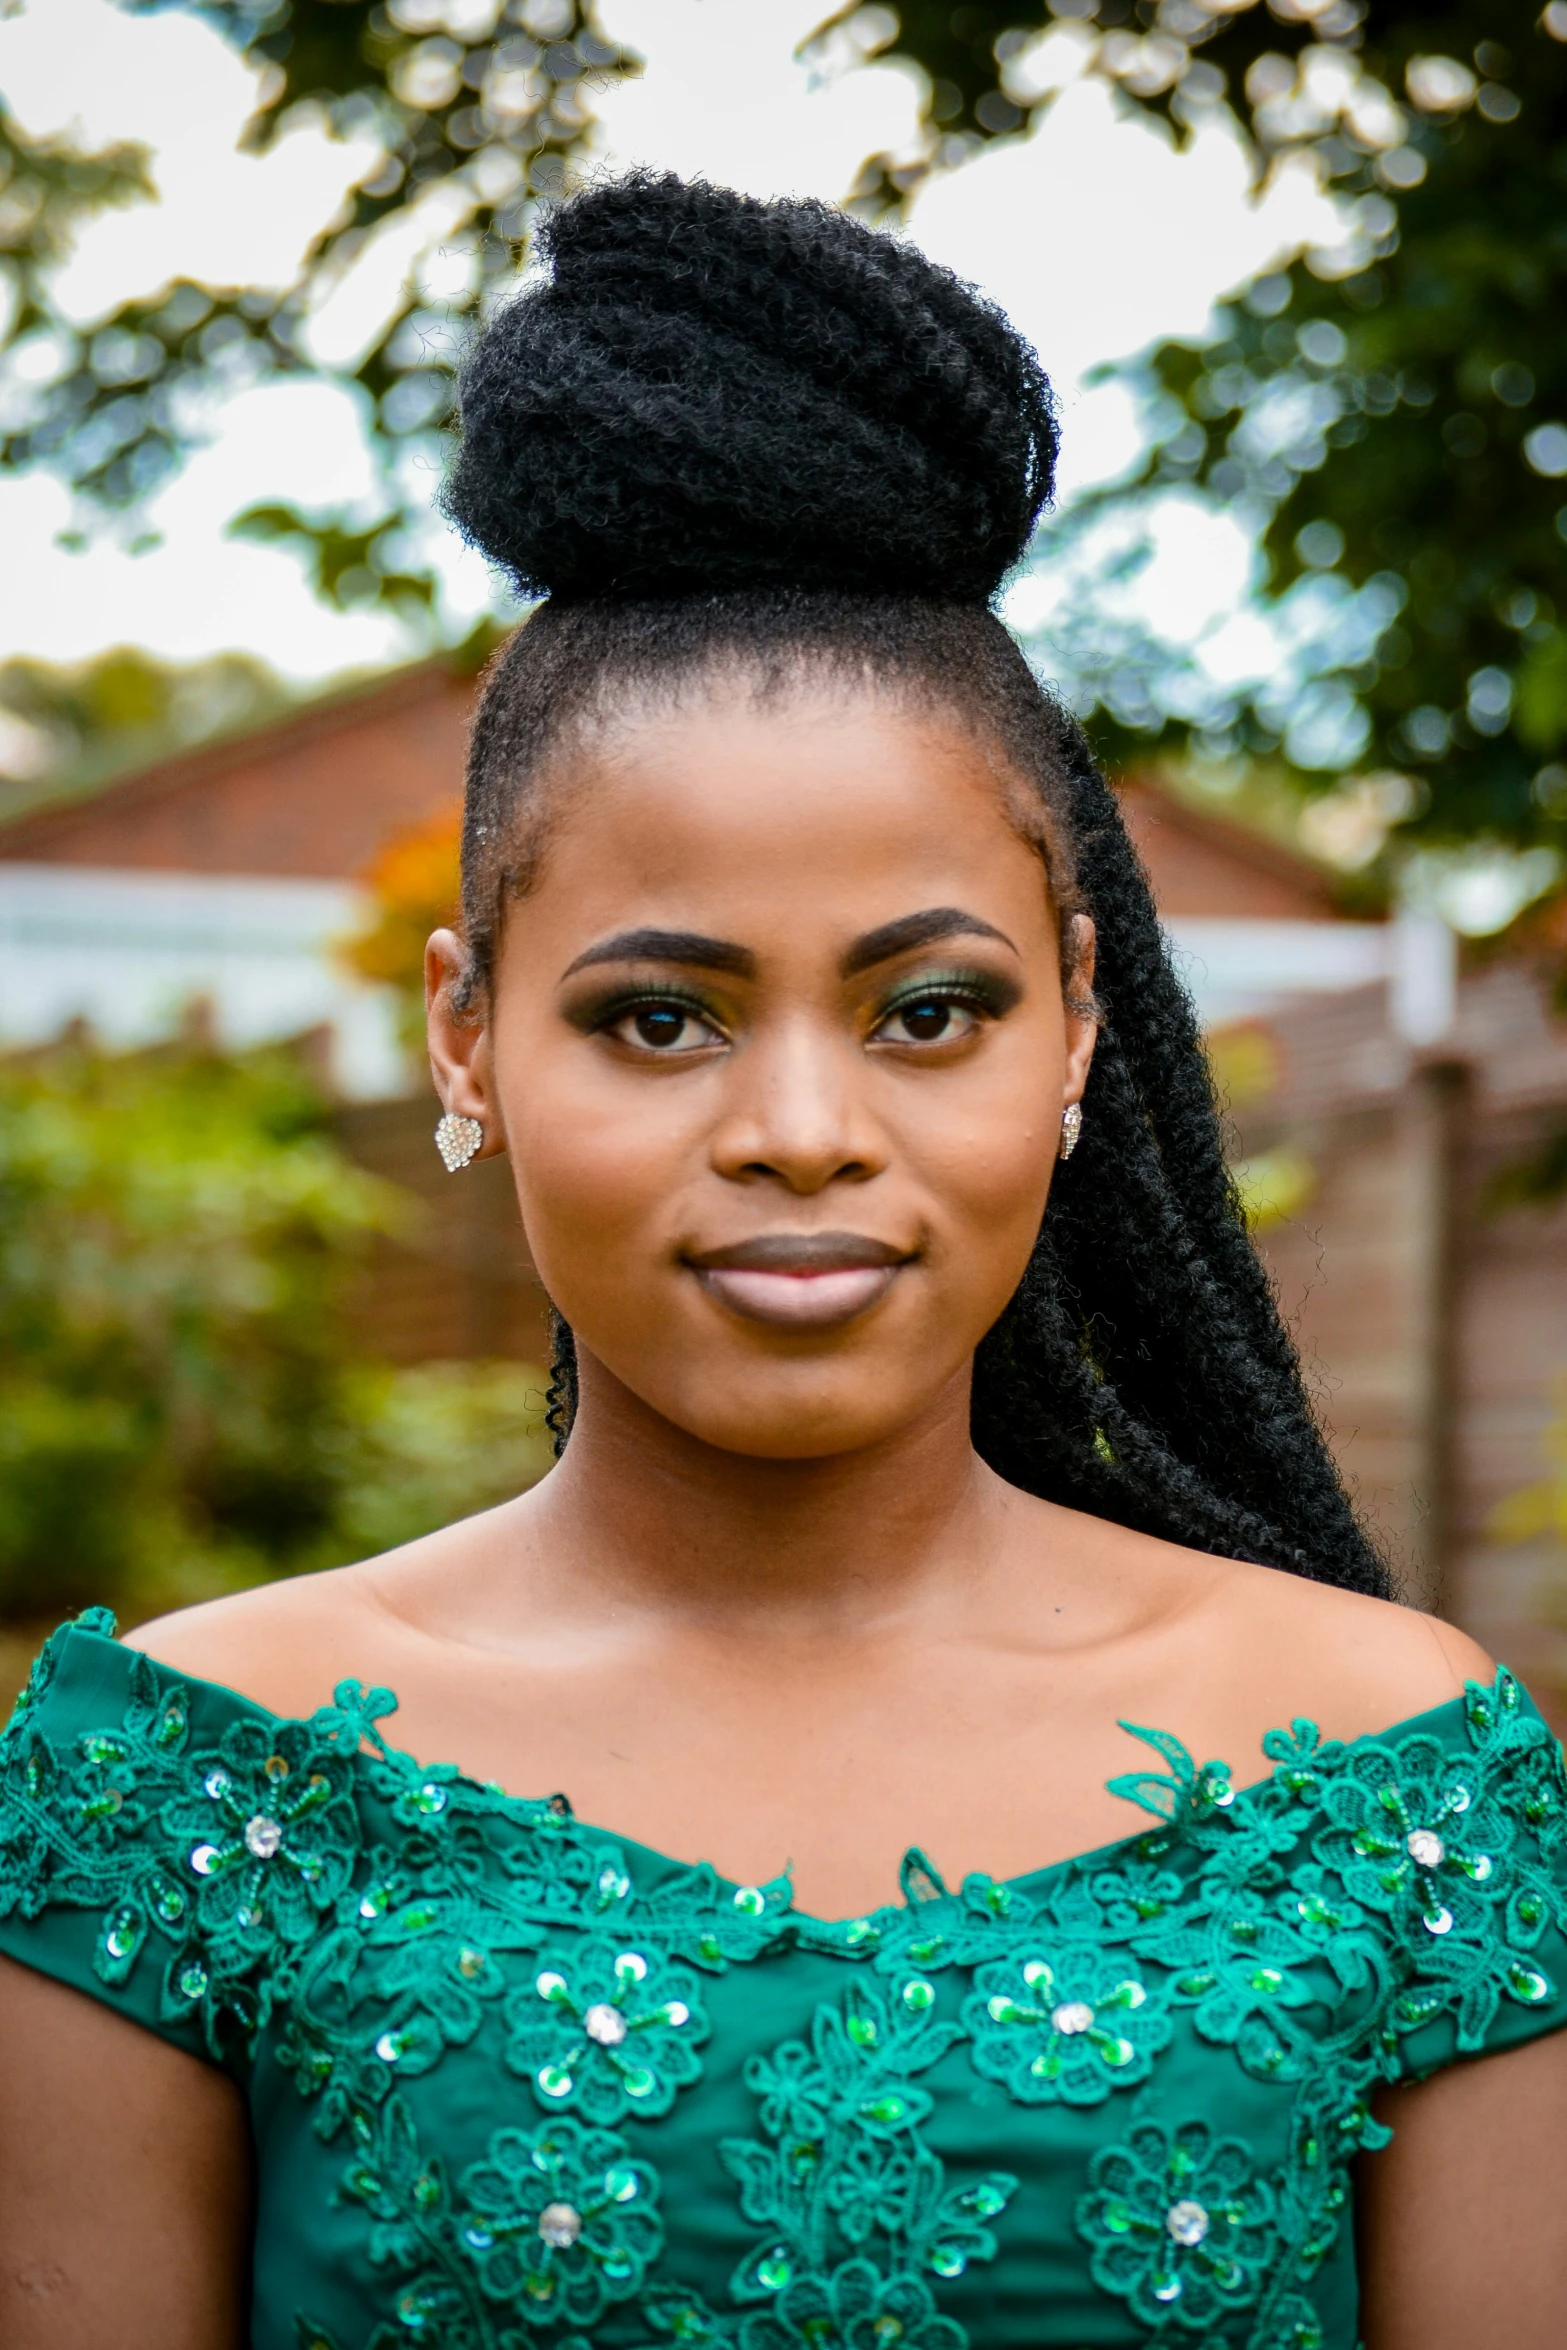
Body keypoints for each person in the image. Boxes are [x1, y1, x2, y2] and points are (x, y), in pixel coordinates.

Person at [1, 171, 1564, 2350]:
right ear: (468, 1031)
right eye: (662, 1014)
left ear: (1081, 1029)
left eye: (930, 1008)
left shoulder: (1390, 1779)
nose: (807, 1128)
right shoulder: (181, 1785)